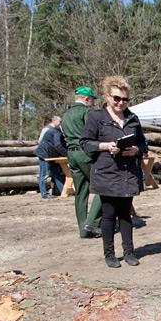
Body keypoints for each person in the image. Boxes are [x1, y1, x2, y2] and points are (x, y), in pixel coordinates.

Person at [81, 75, 148, 268]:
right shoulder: (96, 117)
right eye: (117, 98)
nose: (121, 103)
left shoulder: (132, 118)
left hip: (128, 173)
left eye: (125, 99)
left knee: (126, 214)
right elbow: (85, 143)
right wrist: (104, 146)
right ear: (107, 96)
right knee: (109, 214)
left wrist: (136, 150)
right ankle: (109, 254)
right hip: (107, 172)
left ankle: (129, 252)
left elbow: (143, 144)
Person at [61, 86, 103, 238]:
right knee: (103, 186)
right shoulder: (87, 112)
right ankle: (91, 224)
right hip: (85, 153)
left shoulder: (65, 115)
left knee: (80, 192)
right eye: (92, 100)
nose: (93, 103)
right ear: (86, 99)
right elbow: (94, 132)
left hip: (71, 154)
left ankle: (83, 230)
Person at [35, 115, 67, 198]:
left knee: (56, 173)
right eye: (60, 121)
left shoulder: (57, 131)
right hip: (44, 154)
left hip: (51, 155)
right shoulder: (53, 131)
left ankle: (62, 191)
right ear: (54, 121)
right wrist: (66, 154)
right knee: (44, 174)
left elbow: (61, 144)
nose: (60, 123)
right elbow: (58, 145)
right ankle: (44, 194)